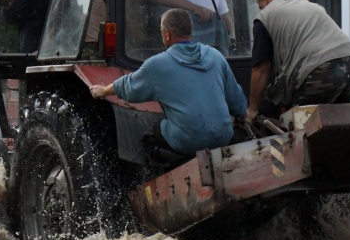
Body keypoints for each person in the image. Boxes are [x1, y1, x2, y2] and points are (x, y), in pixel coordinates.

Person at [90, 9, 246, 156]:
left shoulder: (158, 64)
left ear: (166, 34)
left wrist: (103, 91)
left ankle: (165, 173)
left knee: (150, 135)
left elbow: (129, 87)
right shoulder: (215, 56)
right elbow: (236, 101)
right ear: (190, 31)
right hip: (224, 136)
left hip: (188, 142)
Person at [245, 0, 350, 122]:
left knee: (300, 131)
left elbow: (261, 69)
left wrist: (252, 110)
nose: (261, 9)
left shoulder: (265, 16)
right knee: (346, 124)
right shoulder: (311, 6)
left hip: (320, 71)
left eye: (261, 6)